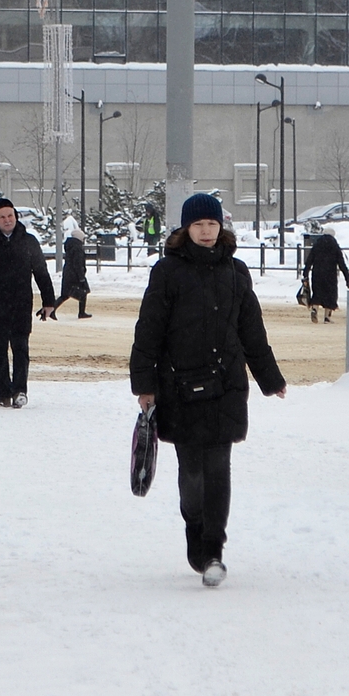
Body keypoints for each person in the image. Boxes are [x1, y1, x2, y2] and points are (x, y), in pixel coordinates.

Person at [129, 192, 287, 587]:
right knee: (192, 473)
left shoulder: (236, 272)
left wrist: (270, 379)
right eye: (198, 225)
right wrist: (145, 386)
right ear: (185, 228)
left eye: (212, 224)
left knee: (218, 469)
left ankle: (214, 550)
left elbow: (252, 331)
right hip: (179, 386)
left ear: (222, 228)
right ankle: (195, 529)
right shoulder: (167, 272)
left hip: (227, 386)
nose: (205, 231)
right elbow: (148, 332)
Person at [0, 197, 55, 406]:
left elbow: (41, 273)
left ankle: (20, 391)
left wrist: (49, 301)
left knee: (20, 349)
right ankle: (3, 394)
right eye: (2, 217)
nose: (7, 220)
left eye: (10, 216)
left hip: (21, 303)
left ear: (15, 217)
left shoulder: (28, 241)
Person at [304, 226, 349, 324]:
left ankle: (314, 309)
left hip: (317, 273)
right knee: (330, 295)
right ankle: (327, 317)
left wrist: (305, 273)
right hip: (330, 275)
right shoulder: (334, 245)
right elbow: (341, 263)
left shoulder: (317, 244)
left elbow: (309, 260)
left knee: (317, 293)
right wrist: (347, 277)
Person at [49, 219, 92, 319]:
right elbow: (78, 263)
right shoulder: (77, 248)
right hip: (75, 275)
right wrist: (81, 276)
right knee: (83, 291)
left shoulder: (71, 246)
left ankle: (52, 310)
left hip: (68, 273)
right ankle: (81, 312)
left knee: (65, 294)